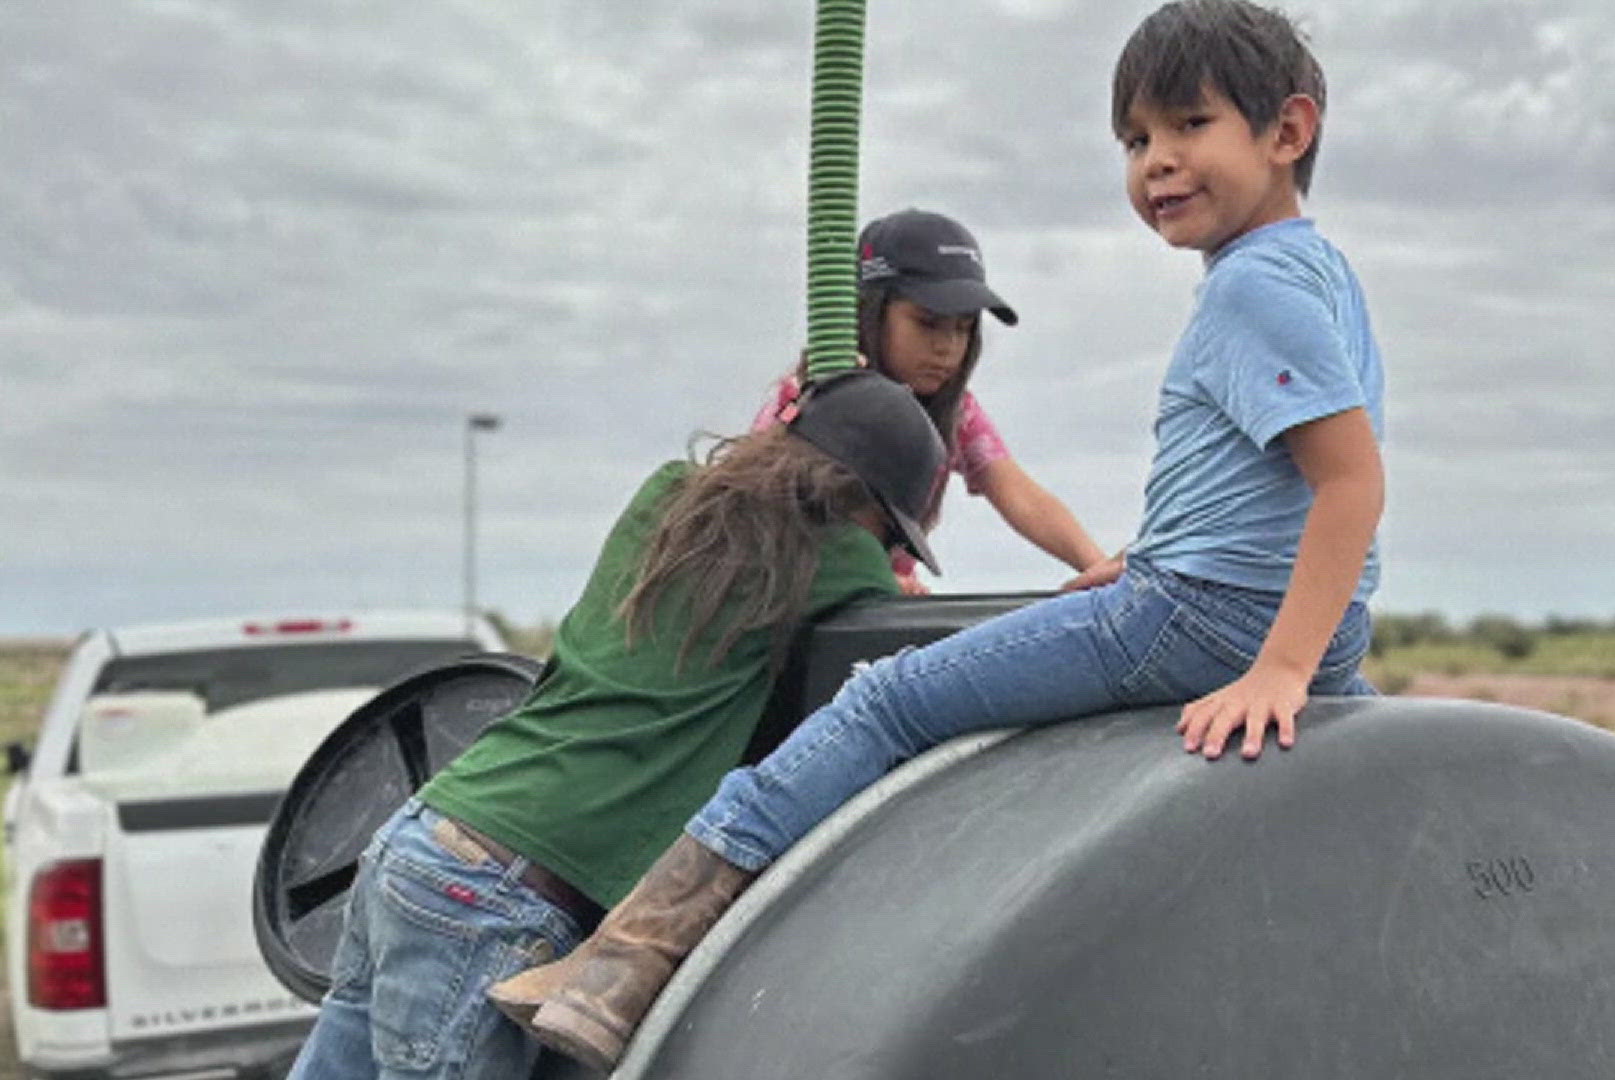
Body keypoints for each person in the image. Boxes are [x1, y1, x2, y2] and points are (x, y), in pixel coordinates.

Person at [495, 1, 1387, 1070]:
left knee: (885, 699)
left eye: (1189, 126)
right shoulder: (1313, 271)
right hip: (1237, 600)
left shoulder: (1250, 290)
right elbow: (1262, 485)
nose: (1157, 163)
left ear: (1287, 132)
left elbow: (1348, 484)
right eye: (1137, 141)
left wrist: (1280, 666)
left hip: (1207, 618)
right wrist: (1152, 563)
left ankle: (626, 962)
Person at [283, 370, 949, 1080]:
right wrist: (888, 578)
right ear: (861, 501)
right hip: (497, 895)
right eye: (889, 533)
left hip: (422, 838)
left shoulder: (666, 495)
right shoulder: (838, 558)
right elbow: (903, 641)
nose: (887, 551)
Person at [753, 208, 1106, 593]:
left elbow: (1019, 495)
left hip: (884, 601)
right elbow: (758, 516)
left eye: (964, 327)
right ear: (871, 312)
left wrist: (1100, 569)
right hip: (797, 595)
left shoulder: (958, 414)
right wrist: (870, 578)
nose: (947, 347)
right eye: (927, 323)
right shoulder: (810, 400)